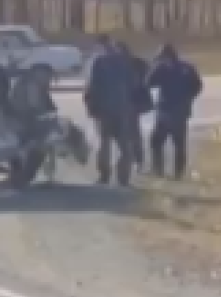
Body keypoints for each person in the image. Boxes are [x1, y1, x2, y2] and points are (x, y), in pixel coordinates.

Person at [84, 36, 136, 186]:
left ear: (100, 46)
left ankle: (104, 176)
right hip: (122, 108)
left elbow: (92, 86)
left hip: (104, 109)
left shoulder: (98, 62)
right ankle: (123, 178)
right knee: (125, 145)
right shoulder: (125, 61)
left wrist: (91, 107)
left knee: (104, 144)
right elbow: (133, 83)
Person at [146, 43, 203, 179]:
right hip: (181, 111)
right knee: (179, 144)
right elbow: (198, 86)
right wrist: (187, 98)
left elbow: (148, 82)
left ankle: (158, 170)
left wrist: (154, 68)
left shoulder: (163, 68)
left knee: (156, 141)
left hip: (165, 111)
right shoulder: (188, 67)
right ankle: (178, 173)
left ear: (165, 56)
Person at [116, 40, 153, 170]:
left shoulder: (126, 64)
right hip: (130, 103)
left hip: (130, 103)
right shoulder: (137, 63)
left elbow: (142, 80)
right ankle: (136, 160)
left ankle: (135, 160)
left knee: (131, 134)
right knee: (132, 133)